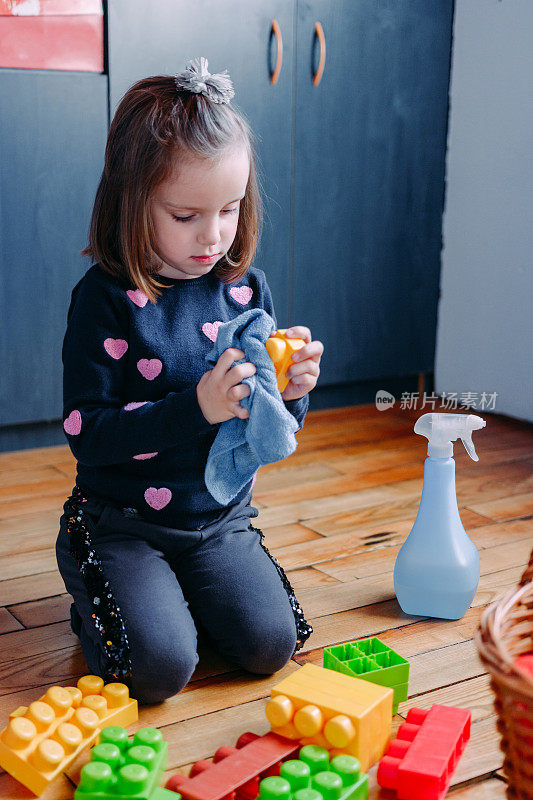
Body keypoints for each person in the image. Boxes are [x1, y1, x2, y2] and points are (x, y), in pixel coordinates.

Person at [56, 59, 323, 705]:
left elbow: (266, 426)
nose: (212, 236)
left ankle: (173, 593)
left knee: (268, 645)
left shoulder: (243, 289)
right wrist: (195, 409)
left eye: (229, 209)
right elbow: (88, 436)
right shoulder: (105, 300)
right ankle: (107, 596)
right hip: (120, 521)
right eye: (185, 215)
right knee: (157, 671)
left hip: (216, 518)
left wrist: (290, 394)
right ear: (131, 199)